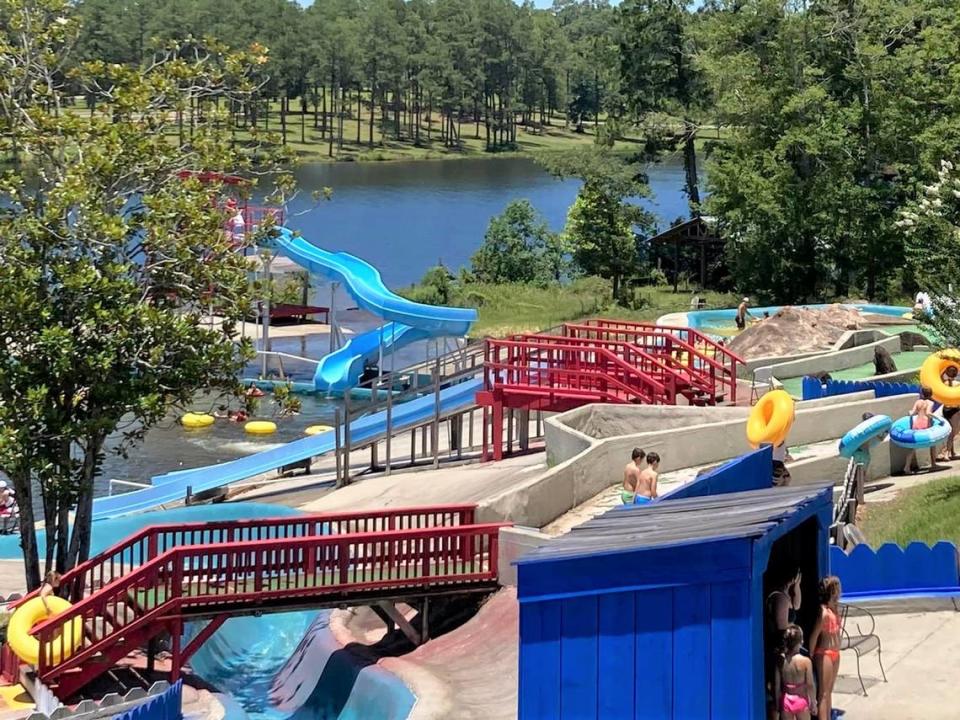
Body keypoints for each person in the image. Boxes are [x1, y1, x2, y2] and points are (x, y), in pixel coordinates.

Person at [809, 576, 842, 720]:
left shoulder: (834, 608)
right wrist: (811, 655)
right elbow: (814, 636)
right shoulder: (823, 613)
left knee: (830, 691)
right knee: (823, 693)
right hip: (825, 653)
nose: (839, 591)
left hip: (835, 652)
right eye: (836, 588)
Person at [777, 625, 817, 720]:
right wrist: (813, 703)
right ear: (801, 642)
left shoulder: (780, 660)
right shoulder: (805, 661)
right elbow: (810, 685)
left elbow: (777, 686)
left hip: (785, 700)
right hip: (801, 699)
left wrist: (778, 703)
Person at [903, 386, 938, 474]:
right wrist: (938, 418)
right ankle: (933, 464)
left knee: (913, 447)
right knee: (932, 443)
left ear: (922, 394)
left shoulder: (918, 402)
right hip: (926, 424)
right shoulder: (930, 403)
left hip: (916, 424)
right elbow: (928, 413)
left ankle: (907, 467)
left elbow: (911, 413)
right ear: (931, 394)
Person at [939, 366, 960, 461]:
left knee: (950, 431)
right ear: (956, 374)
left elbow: (940, 377)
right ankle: (946, 454)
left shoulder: (944, 383)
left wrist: (944, 370)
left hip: (945, 409)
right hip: (954, 410)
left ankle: (952, 453)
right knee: (953, 433)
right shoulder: (958, 384)